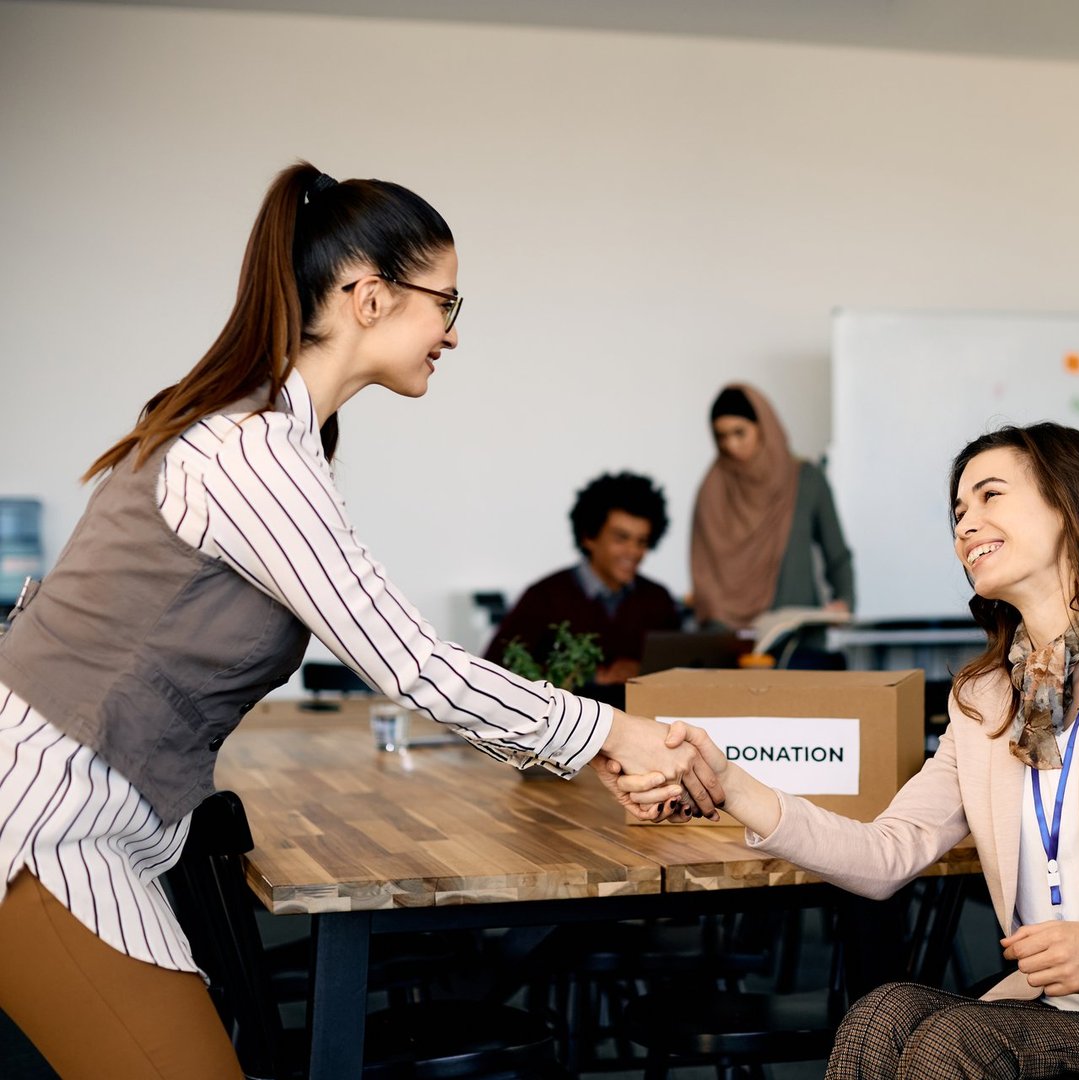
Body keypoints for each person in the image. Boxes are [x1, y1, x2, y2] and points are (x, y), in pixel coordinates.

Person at [0, 161, 716, 1080]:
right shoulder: (252, 452)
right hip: (47, 819)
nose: (453, 335)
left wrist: (596, 742)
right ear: (368, 296)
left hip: (84, 810)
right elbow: (413, 665)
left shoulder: (274, 435)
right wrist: (616, 732)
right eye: (445, 304)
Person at [638, 422, 1079, 1078]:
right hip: (1057, 1006)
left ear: (1071, 506)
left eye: (990, 495)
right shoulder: (988, 699)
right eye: (957, 511)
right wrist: (730, 783)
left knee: (954, 1046)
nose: (965, 524)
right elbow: (886, 855)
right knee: (879, 1017)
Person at [484, 471, 682, 685]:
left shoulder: (658, 600)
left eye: (642, 541)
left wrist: (642, 671)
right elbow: (494, 672)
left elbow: (681, 673)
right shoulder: (544, 598)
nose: (633, 552)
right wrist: (588, 677)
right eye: (621, 538)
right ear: (588, 536)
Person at [690, 384, 854, 629]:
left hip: (798, 640)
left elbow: (837, 553)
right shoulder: (712, 490)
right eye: (721, 436)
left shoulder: (806, 480)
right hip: (731, 643)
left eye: (739, 432)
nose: (731, 445)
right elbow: (704, 573)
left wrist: (844, 601)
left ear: (763, 427)